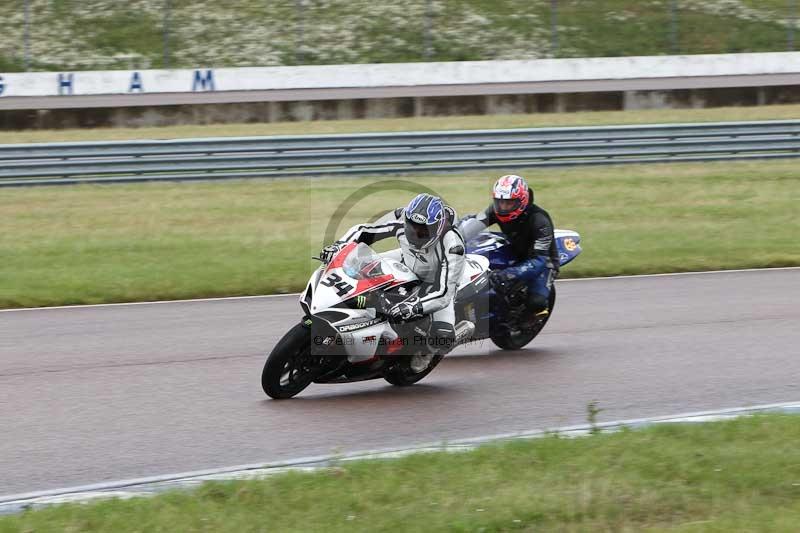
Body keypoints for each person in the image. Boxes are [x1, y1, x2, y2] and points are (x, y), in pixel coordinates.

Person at [319, 193, 466, 359]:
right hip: (405, 261)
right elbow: (364, 230)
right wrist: (339, 246)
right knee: (360, 266)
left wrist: (414, 306)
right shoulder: (401, 218)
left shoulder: (454, 246)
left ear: (437, 227)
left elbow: (444, 292)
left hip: (435, 282)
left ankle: (420, 357)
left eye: (423, 231)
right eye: (412, 228)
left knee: (442, 337)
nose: (416, 234)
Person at [458, 175, 559, 324]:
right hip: (515, 249)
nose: (503, 207)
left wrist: (507, 275)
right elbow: (474, 225)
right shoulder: (495, 210)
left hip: (542, 261)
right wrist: (453, 237)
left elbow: (540, 260)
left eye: (509, 203)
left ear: (522, 201)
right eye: (500, 202)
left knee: (536, 303)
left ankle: (526, 320)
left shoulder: (540, 220)